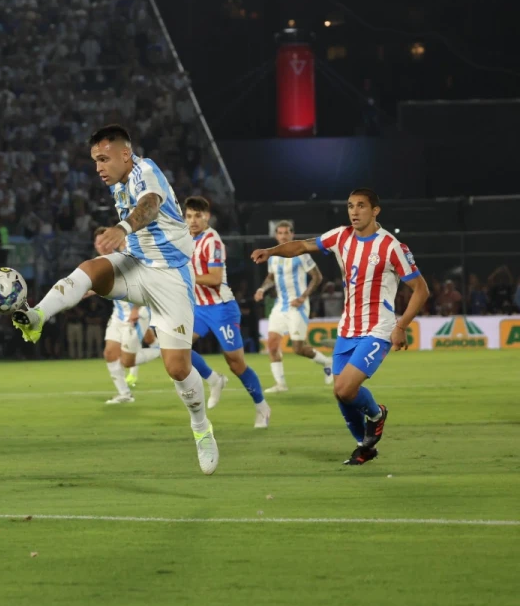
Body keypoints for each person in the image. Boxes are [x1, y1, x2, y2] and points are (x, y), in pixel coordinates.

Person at [11, 125, 219, 475]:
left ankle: (202, 429)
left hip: (171, 277)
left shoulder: (145, 170)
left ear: (126, 154)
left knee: (177, 368)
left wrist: (121, 230)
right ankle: (36, 316)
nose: (98, 168)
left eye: (104, 159)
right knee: (91, 268)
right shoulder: (120, 182)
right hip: (136, 267)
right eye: (94, 161)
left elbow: (150, 204)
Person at [252, 188, 429, 465]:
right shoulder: (340, 236)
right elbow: (300, 246)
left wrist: (401, 326)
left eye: (361, 206)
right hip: (347, 329)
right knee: (340, 393)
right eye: (350, 206)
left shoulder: (391, 246)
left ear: (375, 211)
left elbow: (421, 290)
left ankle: (376, 414)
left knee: (346, 388)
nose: (354, 211)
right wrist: (271, 251)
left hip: (378, 329)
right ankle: (364, 447)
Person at [183, 196, 272, 427]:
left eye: (197, 216)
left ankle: (262, 407)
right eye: (189, 216)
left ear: (207, 217)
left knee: (236, 363)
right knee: (178, 348)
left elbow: (214, 279)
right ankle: (214, 379)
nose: (193, 221)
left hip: (221, 308)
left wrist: (185, 277)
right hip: (198, 308)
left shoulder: (213, 241)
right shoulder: (184, 238)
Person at [253, 220, 333, 392]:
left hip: (298, 306)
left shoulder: (301, 254)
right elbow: (271, 277)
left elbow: (317, 277)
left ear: (292, 234)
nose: (283, 236)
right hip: (280, 306)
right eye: (280, 233)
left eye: (286, 233)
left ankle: (327, 362)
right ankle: (280, 384)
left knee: (298, 348)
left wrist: (303, 297)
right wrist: (262, 289)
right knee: (272, 345)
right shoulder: (272, 256)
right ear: (276, 235)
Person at [92, 227, 160, 404]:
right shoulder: (99, 263)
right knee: (109, 353)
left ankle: (163, 351)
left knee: (127, 361)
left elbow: (141, 285)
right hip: (118, 314)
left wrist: (136, 310)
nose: (101, 245)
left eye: (104, 241)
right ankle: (124, 394)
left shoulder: (125, 259)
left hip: (137, 313)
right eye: (98, 242)